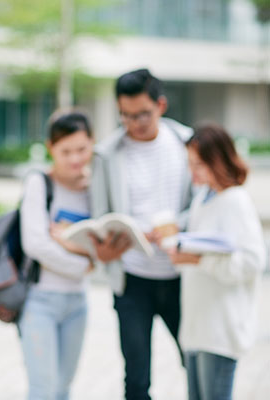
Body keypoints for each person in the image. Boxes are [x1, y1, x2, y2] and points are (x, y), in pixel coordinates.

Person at [89, 68, 193, 400]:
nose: (134, 123)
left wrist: (178, 229)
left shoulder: (187, 144)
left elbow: (204, 205)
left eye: (142, 114)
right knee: (136, 379)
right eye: (126, 115)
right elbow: (100, 215)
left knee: (196, 364)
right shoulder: (107, 154)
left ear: (161, 105)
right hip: (132, 280)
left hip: (183, 275)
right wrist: (102, 248)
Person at [166, 123, 266, 400]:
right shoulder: (204, 199)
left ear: (218, 159)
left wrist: (198, 260)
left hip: (220, 332)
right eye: (190, 164)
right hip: (197, 329)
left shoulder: (235, 201)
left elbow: (252, 261)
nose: (193, 171)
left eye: (199, 164)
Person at [19, 110, 95, 400]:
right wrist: (85, 264)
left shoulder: (95, 188)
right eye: (66, 151)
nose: (75, 159)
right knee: (43, 389)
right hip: (41, 302)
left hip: (78, 303)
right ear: (51, 148)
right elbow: (35, 244)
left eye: (81, 149)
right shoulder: (40, 183)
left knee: (63, 389)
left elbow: (101, 243)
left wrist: (68, 242)